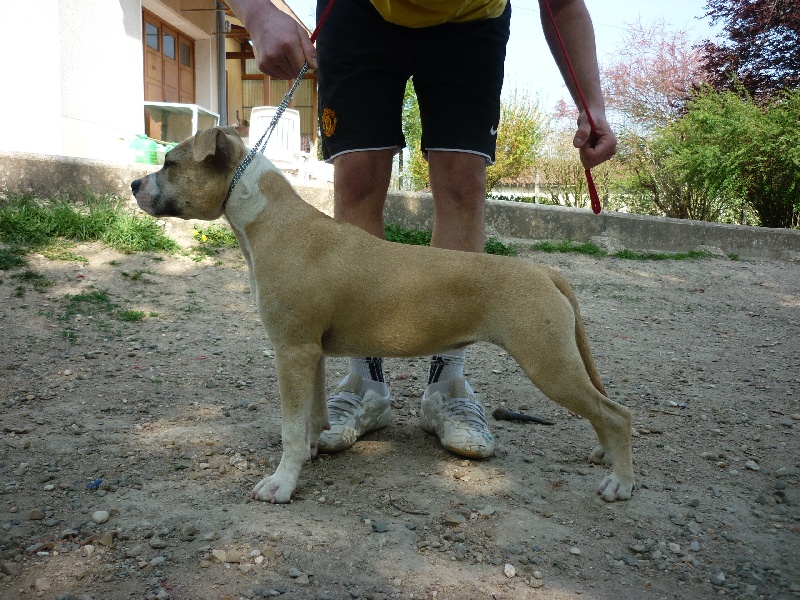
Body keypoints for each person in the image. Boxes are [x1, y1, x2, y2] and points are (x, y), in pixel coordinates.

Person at [226, 0, 617, 459]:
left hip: (473, 20)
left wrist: (591, 101)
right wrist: (256, 10)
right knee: (357, 178)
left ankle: (446, 385)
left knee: (462, 184)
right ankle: (365, 382)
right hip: (358, 11)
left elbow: (563, 4)